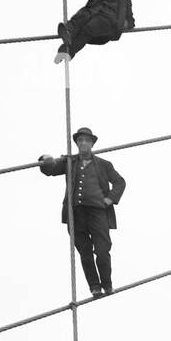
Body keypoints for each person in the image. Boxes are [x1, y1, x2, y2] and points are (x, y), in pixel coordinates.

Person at [38, 128, 126, 299]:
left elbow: (119, 183)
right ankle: (95, 287)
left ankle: (107, 285)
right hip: (76, 214)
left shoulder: (103, 164)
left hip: (98, 212)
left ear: (92, 144)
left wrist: (109, 200)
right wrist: (45, 160)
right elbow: (50, 169)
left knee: (102, 250)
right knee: (85, 252)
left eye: (86, 140)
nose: (83, 143)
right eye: (80, 140)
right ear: (77, 143)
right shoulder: (69, 162)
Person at [53, 0, 135, 65]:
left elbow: (131, 21)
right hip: (90, 19)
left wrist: (124, 23)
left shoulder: (124, 0)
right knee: (83, 15)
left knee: (91, 26)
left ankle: (69, 49)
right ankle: (68, 35)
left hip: (107, 25)